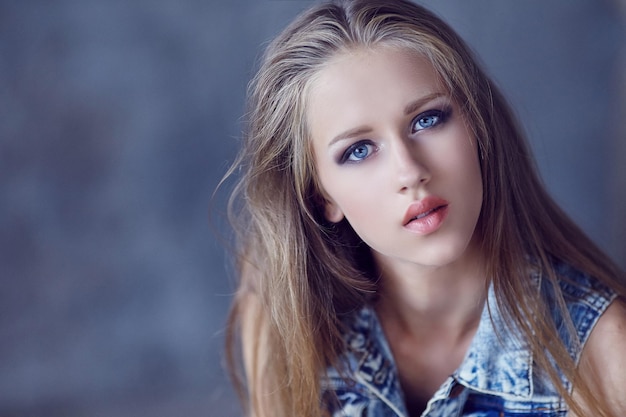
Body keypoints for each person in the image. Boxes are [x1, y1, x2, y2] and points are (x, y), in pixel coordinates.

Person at [222, 1, 626, 416]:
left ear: (477, 127)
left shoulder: (606, 352)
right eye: (358, 150)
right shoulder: (288, 325)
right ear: (321, 195)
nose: (410, 171)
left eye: (427, 120)